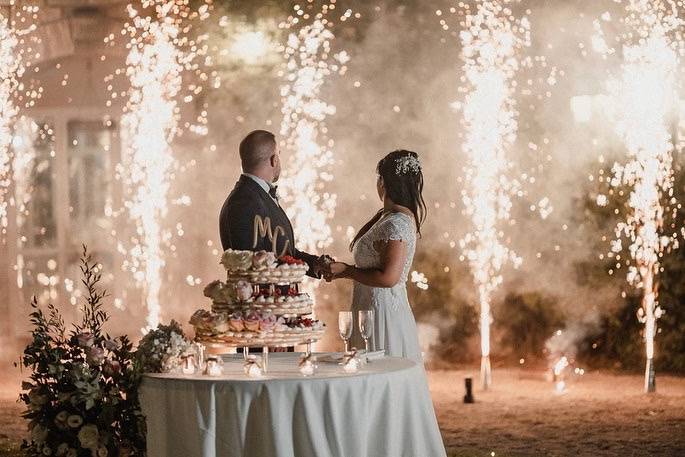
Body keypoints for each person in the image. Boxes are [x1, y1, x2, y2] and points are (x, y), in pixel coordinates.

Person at [327, 150, 426, 363]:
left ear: (384, 182)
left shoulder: (396, 223)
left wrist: (347, 271)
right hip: (369, 307)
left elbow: (388, 278)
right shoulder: (388, 217)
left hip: (382, 312)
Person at [219, 129, 332, 277]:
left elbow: (279, 252)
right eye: (279, 154)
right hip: (264, 299)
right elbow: (254, 267)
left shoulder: (254, 195)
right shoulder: (244, 202)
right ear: (274, 160)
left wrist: (314, 264)